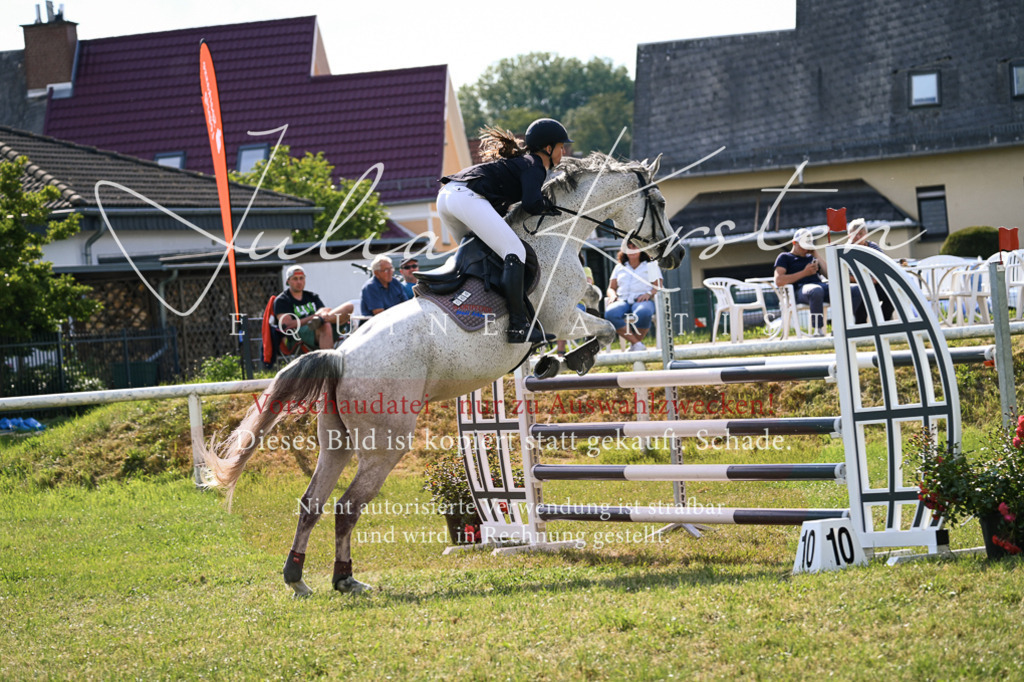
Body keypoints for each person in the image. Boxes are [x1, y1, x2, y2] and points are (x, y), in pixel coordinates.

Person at [437, 118, 571, 343]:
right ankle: (519, 325)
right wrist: (548, 206)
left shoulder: (524, 162)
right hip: (465, 197)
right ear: (548, 148)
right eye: (560, 147)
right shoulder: (535, 165)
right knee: (514, 252)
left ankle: (472, 311)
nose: (563, 152)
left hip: (447, 198)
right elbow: (530, 203)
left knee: (480, 257)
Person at [774, 228, 861, 336]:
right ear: (794, 243)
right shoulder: (785, 257)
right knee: (816, 290)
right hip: (799, 291)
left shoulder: (812, 257)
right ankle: (818, 330)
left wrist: (817, 255)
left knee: (855, 289)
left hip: (820, 286)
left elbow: (831, 276)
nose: (805, 249)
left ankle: (842, 326)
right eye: (803, 245)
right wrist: (804, 273)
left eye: (808, 245)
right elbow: (778, 280)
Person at [274, 265, 352, 351]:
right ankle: (326, 362)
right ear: (288, 281)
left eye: (301, 278)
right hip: (298, 334)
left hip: (321, 326)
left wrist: (323, 315)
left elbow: (323, 310)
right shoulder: (282, 300)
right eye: (295, 279)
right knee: (325, 325)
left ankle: (320, 320)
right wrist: (312, 317)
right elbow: (287, 325)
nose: (299, 282)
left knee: (349, 307)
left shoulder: (312, 296)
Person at [604, 243, 663, 352]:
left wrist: (649, 293)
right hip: (622, 300)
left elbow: (658, 286)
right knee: (610, 313)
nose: (631, 250)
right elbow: (611, 288)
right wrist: (613, 295)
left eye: (635, 247)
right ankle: (637, 344)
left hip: (642, 300)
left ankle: (635, 345)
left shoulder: (651, 265)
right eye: (628, 248)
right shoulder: (619, 267)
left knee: (643, 313)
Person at [846, 219, 895, 324]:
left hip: (874, 283)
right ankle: (861, 327)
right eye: (855, 234)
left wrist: (875, 279)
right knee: (860, 295)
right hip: (856, 286)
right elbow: (845, 275)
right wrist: (866, 280)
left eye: (861, 234)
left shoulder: (873, 247)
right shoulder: (845, 250)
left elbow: (884, 265)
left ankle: (883, 322)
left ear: (866, 235)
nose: (858, 237)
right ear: (849, 235)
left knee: (892, 292)